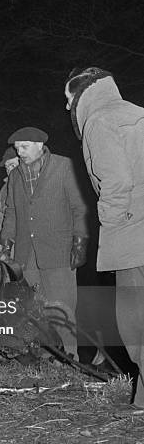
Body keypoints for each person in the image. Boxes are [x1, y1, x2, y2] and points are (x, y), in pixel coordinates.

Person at [65, 67, 144, 405]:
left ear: (82, 94)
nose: (67, 108)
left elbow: (115, 181)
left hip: (133, 233)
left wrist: (111, 229)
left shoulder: (98, 120)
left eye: (68, 100)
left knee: (134, 323)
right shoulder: (137, 113)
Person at [0, 127, 89, 359]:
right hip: (27, 256)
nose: (20, 153)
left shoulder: (64, 167)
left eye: (24, 147)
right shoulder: (16, 175)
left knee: (63, 307)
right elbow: (11, 213)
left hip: (59, 251)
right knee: (35, 309)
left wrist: (80, 242)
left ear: (39, 145)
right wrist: (5, 243)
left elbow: (80, 207)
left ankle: (70, 358)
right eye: (17, 149)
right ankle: (45, 357)